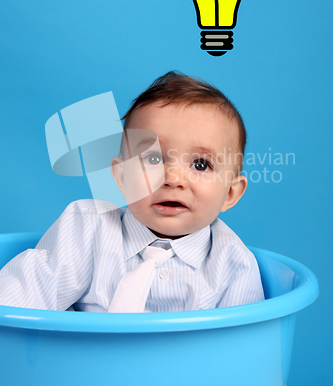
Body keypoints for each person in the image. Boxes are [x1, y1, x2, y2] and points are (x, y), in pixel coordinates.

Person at [0, 71, 264, 312]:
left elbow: (242, 347)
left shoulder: (234, 264)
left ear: (230, 193)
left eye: (200, 164)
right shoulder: (87, 227)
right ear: (122, 176)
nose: (172, 178)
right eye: (152, 159)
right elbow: (26, 293)